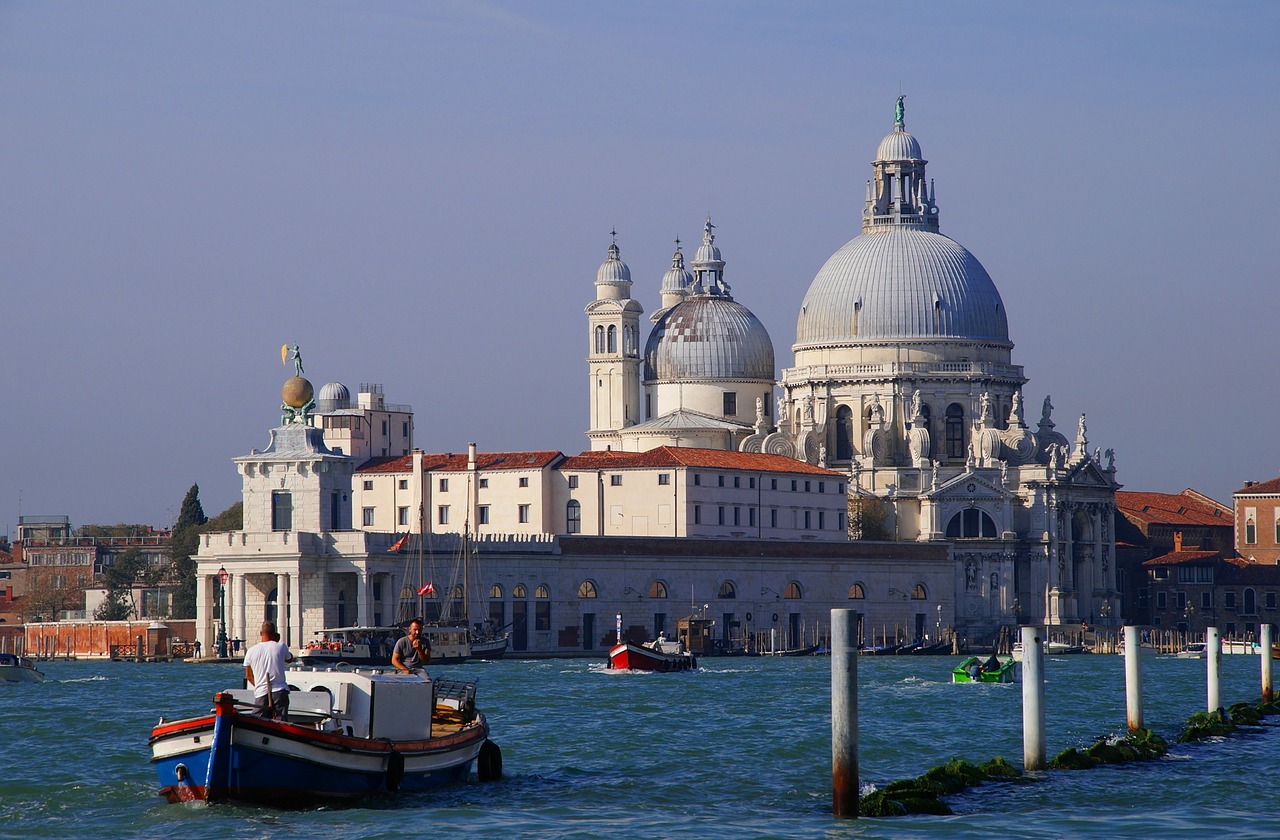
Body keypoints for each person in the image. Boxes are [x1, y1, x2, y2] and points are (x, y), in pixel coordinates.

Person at [244, 621, 294, 719]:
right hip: (279, 690)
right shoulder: (281, 646)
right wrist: (277, 641)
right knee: (281, 720)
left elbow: (248, 676)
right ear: (274, 634)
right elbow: (289, 659)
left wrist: (258, 684)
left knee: (258, 720)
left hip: (261, 691)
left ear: (260, 633)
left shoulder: (251, 651)